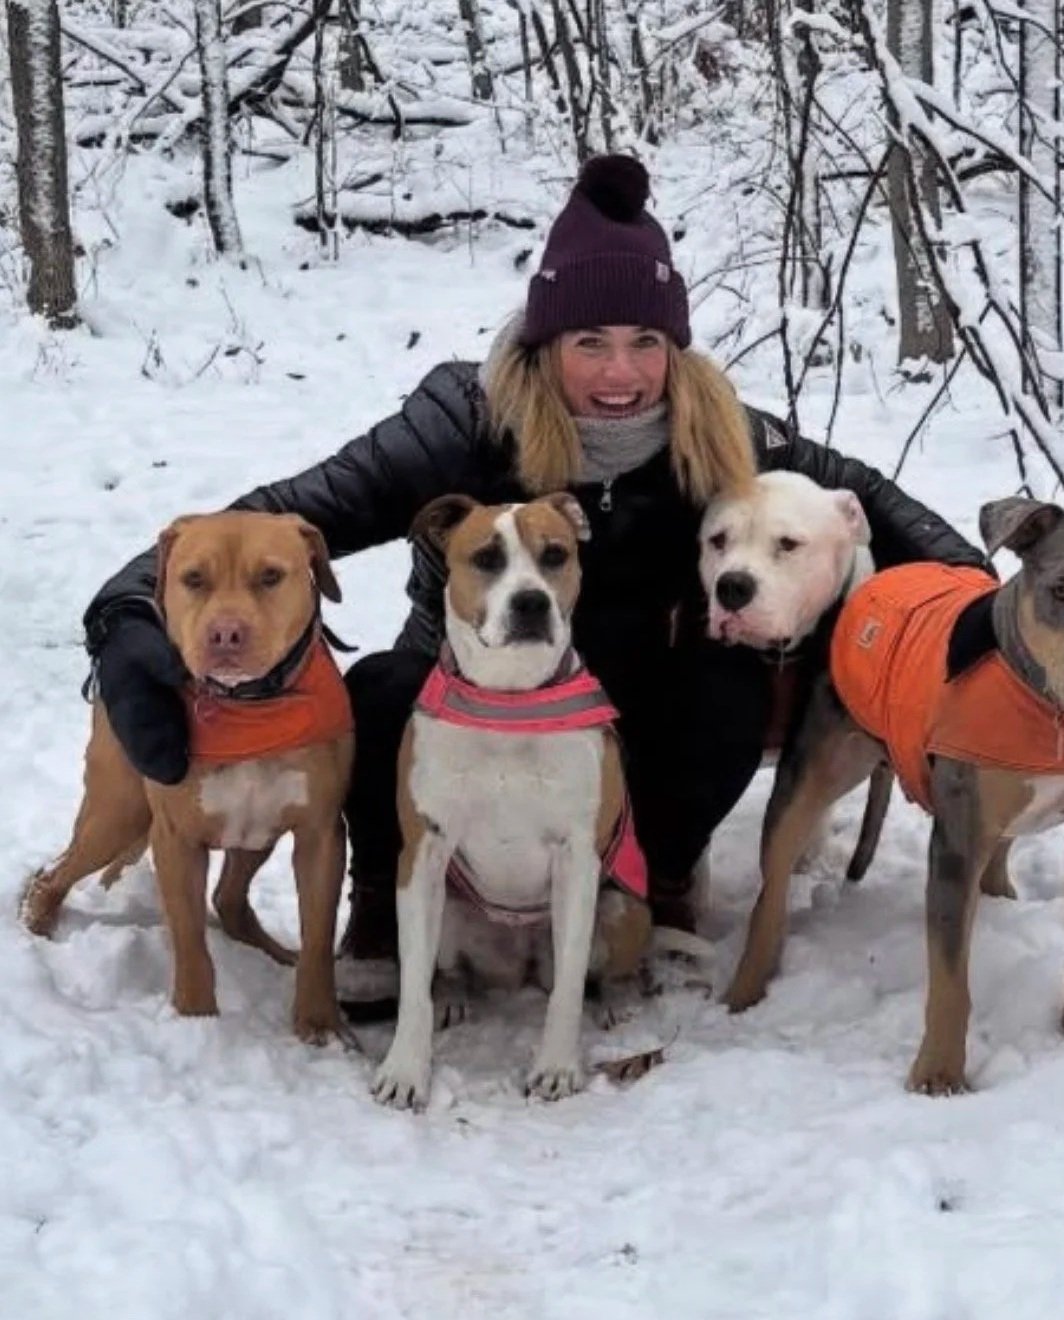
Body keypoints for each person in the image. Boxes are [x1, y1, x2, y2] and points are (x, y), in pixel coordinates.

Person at [82, 154, 989, 1017]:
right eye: (590, 343)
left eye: (645, 343)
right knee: (381, 691)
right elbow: (283, 511)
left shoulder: (719, 432)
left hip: (629, 695)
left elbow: (868, 499)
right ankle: (388, 899)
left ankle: (656, 876)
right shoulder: (464, 419)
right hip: (462, 693)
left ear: (675, 348)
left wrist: (974, 604)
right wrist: (126, 616)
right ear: (546, 342)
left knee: (729, 685)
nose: (622, 373)